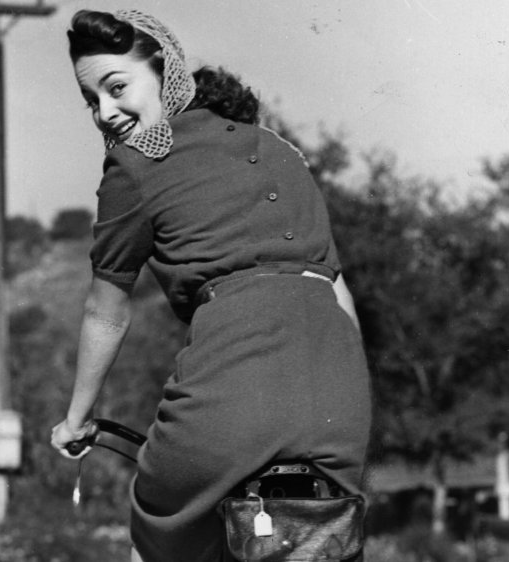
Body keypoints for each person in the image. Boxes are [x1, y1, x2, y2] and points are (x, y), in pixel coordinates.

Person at [51, 9, 372, 562]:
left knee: (156, 530)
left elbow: (107, 312)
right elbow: (338, 295)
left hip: (234, 397)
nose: (106, 113)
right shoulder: (279, 149)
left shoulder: (133, 165)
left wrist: (77, 418)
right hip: (340, 407)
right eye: (92, 101)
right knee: (323, 533)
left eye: (117, 87)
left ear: (164, 69)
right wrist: (348, 399)